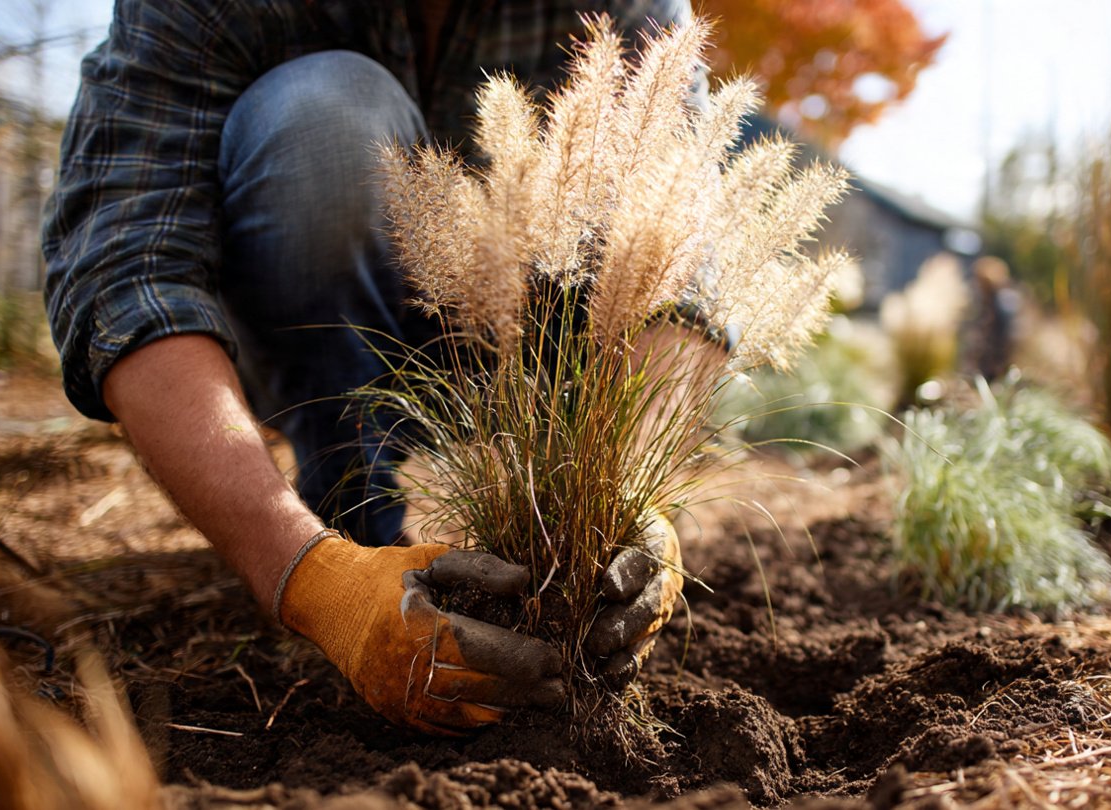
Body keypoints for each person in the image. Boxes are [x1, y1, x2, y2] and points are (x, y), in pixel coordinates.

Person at [42, 0, 704, 734]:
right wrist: (313, 581)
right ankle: (352, 531)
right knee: (327, 119)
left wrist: (630, 488)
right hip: (301, 333)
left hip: (536, 369)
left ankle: (558, 567)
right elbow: (124, 273)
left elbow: (687, 270)